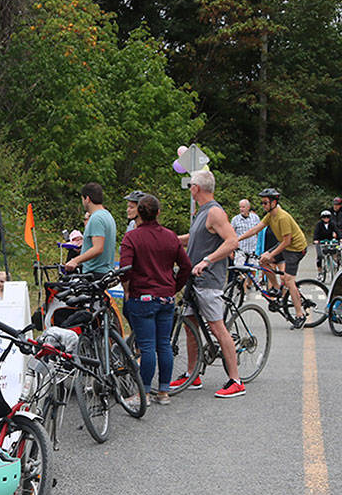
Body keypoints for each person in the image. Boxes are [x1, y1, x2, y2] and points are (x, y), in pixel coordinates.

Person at [173, 170, 246, 398]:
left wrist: (207, 260)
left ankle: (236, 380)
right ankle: (193, 375)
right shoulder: (201, 213)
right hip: (193, 280)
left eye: (190, 186)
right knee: (190, 325)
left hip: (209, 280)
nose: (189, 190)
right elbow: (195, 239)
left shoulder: (214, 212)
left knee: (217, 327)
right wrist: (171, 239)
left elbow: (232, 241)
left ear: (196, 188)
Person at [119, 193, 191, 405]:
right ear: (158, 213)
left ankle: (144, 393)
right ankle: (164, 391)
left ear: (138, 214)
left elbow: (125, 269)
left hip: (142, 297)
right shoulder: (170, 237)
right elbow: (186, 266)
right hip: (166, 297)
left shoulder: (131, 238)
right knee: (164, 345)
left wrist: (127, 287)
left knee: (147, 345)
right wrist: (174, 286)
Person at [244, 187, 308, 327]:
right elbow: (256, 229)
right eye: (262, 203)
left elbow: (287, 241)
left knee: (290, 280)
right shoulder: (270, 215)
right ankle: (277, 288)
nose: (263, 205)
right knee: (262, 261)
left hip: (296, 249)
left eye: (265, 203)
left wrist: (271, 254)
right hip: (285, 246)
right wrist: (237, 239)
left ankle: (300, 314)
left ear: (274, 202)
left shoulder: (282, 217)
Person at [65, 182, 116, 275]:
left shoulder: (96, 218)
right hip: (105, 272)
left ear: (87, 199)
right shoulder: (108, 215)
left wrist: (75, 260)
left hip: (95, 273)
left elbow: (98, 248)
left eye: (82, 199)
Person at [231, 198, 261, 269]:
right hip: (240, 250)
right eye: (240, 207)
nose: (241, 209)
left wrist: (259, 249)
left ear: (248, 207)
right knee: (239, 270)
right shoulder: (235, 219)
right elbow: (231, 235)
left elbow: (258, 233)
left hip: (253, 251)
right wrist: (231, 251)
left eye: (243, 207)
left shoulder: (255, 218)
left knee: (253, 271)